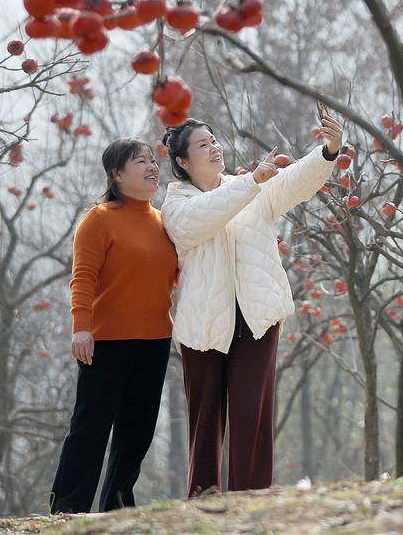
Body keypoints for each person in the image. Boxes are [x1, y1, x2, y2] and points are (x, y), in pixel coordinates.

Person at [161, 111, 342, 496]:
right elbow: (201, 219)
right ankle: (203, 499)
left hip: (257, 319)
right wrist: (250, 182)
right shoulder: (177, 203)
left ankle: (251, 497)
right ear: (182, 162)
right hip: (204, 326)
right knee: (205, 419)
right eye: (203, 145)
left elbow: (292, 181)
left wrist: (327, 151)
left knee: (251, 413)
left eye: (214, 140)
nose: (215, 148)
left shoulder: (249, 186)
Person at [49, 139, 178, 514]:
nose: (152, 167)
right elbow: (83, 277)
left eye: (153, 161)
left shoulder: (164, 221)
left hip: (155, 341)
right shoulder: (99, 218)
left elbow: (175, 274)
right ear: (117, 174)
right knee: (90, 429)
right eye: (141, 162)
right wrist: (81, 327)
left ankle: (117, 509)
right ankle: (67, 509)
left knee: (137, 433)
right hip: (106, 342)